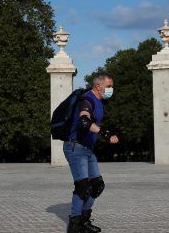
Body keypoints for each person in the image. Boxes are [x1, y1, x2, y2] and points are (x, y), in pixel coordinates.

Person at [64, 74, 119, 233]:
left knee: (96, 185)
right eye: (108, 87)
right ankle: (74, 226)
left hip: (87, 149)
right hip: (76, 148)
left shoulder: (99, 102)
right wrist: (106, 134)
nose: (111, 90)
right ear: (98, 86)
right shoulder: (86, 100)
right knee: (83, 186)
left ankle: (84, 221)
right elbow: (84, 121)